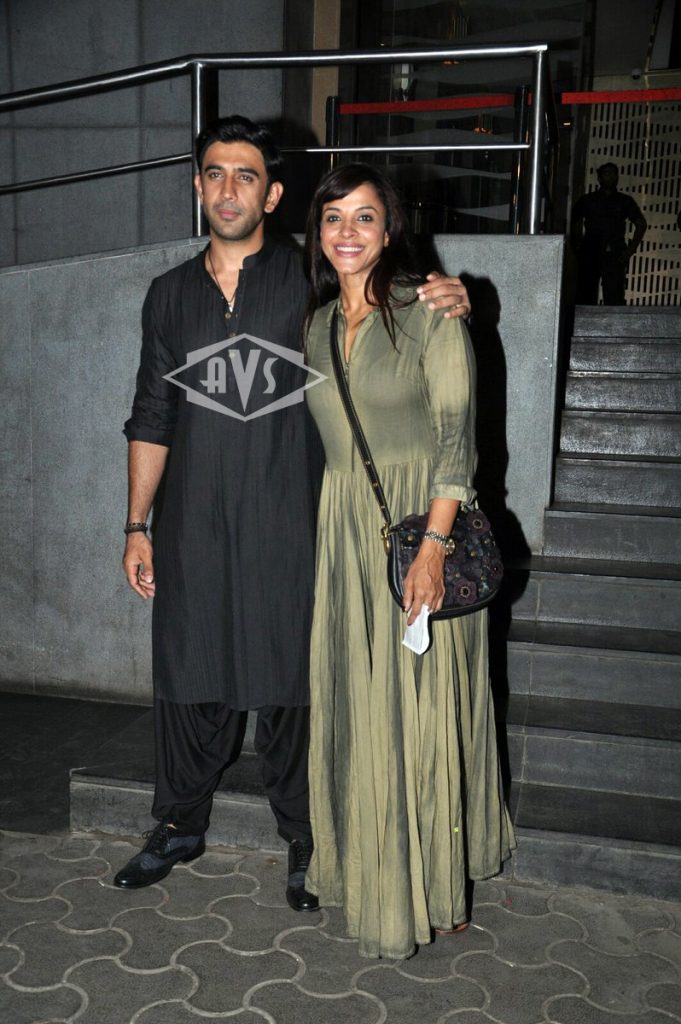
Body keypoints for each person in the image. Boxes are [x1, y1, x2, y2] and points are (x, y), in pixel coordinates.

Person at [114, 116, 472, 907]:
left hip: (293, 519)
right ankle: (177, 824)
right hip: (191, 523)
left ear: (273, 195)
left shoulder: (310, 276)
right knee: (188, 670)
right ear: (197, 186)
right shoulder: (167, 295)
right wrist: (137, 525)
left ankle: (307, 837)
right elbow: (150, 414)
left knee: (292, 680)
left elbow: (383, 289)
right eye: (214, 173)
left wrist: (448, 291)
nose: (228, 189)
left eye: (246, 175)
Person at [303, 163, 515, 959]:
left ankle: (435, 884)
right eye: (333, 217)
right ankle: (366, 871)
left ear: (389, 229)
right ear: (317, 231)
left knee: (422, 713)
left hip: (421, 532)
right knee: (364, 709)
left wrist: (431, 548)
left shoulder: (429, 312)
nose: (347, 232)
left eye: (364, 217)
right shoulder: (314, 326)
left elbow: (458, 440)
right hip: (344, 537)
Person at [571, 162, 647, 305]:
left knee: (614, 299)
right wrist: (577, 245)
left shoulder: (624, 201)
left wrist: (630, 251)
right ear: (599, 178)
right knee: (585, 298)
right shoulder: (588, 200)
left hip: (614, 254)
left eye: (613, 174)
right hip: (590, 252)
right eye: (607, 173)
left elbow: (641, 224)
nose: (611, 177)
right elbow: (572, 220)